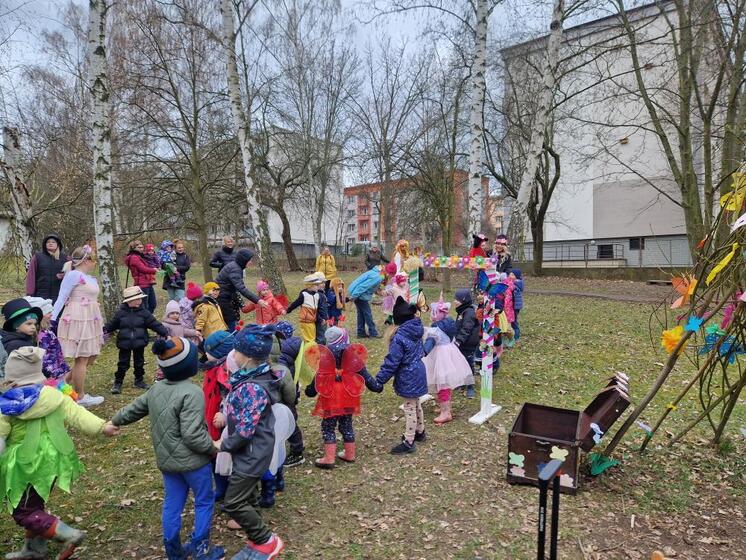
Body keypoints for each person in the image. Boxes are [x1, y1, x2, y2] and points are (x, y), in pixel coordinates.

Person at [0, 347, 119, 560]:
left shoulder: (7, 406)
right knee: (34, 503)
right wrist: (102, 426)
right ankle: (34, 549)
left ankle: (68, 534)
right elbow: (78, 415)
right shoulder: (55, 395)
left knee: (23, 511)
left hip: (23, 464)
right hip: (54, 458)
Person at [111, 337, 224, 560]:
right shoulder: (192, 392)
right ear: (189, 365)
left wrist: (115, 420)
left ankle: (173, 551)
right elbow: (193, 435)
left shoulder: (156, 389)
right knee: (203, 501)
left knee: (172, 503)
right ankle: (201, 550)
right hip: (195, 463)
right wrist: (213, 448)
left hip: (167, 462)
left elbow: (134, 409)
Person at [219, 325, 288, 559]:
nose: (233, 355)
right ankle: (257, 540)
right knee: (247, 496)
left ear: (248, 357)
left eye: (236, 351)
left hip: (252, 453)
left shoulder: (252, 387)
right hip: (249, 452)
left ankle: (267, 540)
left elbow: (245, 431)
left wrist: (222, 445)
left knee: (233, 502)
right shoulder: (249, 378)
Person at [362, 297, 428, 454]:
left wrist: (379, 380)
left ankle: (409, 441)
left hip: (408, 374)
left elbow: (392, 361)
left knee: (409, 407)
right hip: (419, 369)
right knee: (416, 402)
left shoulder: (399, 337)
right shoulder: (416, 329)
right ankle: (420, 431)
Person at [305, 327, 368, 469]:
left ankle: (329, 458)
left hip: (331, 396)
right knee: (347, 423)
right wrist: (375, 385)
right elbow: (364, 373)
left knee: (328, 426)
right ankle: (350, 454)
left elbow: (317, 379)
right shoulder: (351, 354)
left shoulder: (325, 358)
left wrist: (310, 391)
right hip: (348, 393)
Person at [51, 245, 105, 408]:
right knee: (82, 357)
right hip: (78, 317)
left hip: (91, 317)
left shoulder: (89, 278)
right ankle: (80, 396)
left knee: (92, 355)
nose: (95, 263)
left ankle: (62, 383)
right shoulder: (73, 275)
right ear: (86, 260)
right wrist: (51, 319)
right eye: (93, 259)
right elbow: (62, 297)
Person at [104, 286, 169, 394]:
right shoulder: (120, 313)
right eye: (138, 299)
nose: (140, 301)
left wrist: (165, 332)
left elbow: (154, 323)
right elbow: (112, 325)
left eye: (140, 299)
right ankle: (118, 382)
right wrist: (103, 330)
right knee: (123, 363)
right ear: (129, 301)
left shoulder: (144, 313)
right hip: (124, 343)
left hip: (139, 343)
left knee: (139, 362)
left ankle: (139, 380)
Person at [423, 306, 474, 425]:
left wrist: (423, 352)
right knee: (444, 383)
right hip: (449, 353)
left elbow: (430, 343)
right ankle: (445, 407)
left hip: (440, 358)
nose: (431, 315)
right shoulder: (449, 323)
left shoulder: (436, 329)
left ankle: (445, 412)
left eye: (433, 312)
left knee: (442, 384)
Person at [200, 331, 234, 504]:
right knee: (214, 455)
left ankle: (229, 489)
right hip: (210, 416)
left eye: (208, 351)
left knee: (224, 454)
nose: (205, 354)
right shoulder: (212, 367)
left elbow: (230, 394)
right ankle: (221, 487)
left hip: (222, 422)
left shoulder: (226, 371)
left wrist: (223, 413)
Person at [215, 248, 263, 332]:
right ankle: (232, 337)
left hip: (226, 296)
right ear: (243, 260)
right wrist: (258, 300)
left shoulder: (236, 267)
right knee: (231, 320)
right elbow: (241, 288)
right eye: (249, 260)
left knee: (231, 320)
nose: (251, 262)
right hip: (221, 297)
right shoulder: (235, 269)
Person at [25, 296, 70, 380]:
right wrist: (50, 373)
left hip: (58, 367)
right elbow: (43, 357)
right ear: (40, 316)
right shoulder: (42, 336)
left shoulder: (47, 329)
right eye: (48, 312)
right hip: (52, 373)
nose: (51, 314)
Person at [348, 264, 390, 339]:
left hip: (358, 294)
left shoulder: (375, 273)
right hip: (360, 295)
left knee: (361, 314)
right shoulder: (377, 277)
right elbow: (364, 286)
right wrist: (354, 295)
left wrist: (378, 291)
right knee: (368, 314)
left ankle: (361, 332)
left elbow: (371, 286)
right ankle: (373, 333)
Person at [454, 289, 480, 399]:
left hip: (468, 343)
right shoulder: (462, 310)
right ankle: (462, 382)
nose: (455, 301)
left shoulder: (469, 312)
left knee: (468, 363)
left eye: (457, 300)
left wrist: (459, 340)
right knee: (460, 362)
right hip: (463, 343)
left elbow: (467, 328)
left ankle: (470, 386)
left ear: (463, 300)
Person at [25, 234, 67, 302]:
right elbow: (31, 276)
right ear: (45, 244)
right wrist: (30, 294)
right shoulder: (37, 257)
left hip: (59, 296)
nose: (50, 243)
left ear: (58, 244)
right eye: (48, 242)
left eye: (53, 242)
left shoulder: (65, 258)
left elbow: (70, 276)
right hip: (40, 296)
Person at [285, 273, 323, 343]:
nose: (318, 287)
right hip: (306, 321)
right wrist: (288, 310)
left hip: (312, 321)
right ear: (310, 286)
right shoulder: (304, 295)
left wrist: (320, 319)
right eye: (316, 285)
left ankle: (309, 348)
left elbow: (316, 310)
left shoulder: (317, 295)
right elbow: (295, 303)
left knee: (312, 338)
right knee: (309, 339)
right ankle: (309, 349)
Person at [125, 240, 159, 313]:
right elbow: (142, 269)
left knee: (152, 304)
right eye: (139, 247)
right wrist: (153, 270)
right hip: (141, 284)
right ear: (133, 248)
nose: (141, 249)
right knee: (144, 306)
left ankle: (148, 317)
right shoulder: (134, 257)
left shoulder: (140, 256)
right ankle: (145, 318)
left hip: (148, 282)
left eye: (142, 247)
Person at [510, 269, 524, 341]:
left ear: (517, 277)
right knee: (513, 321)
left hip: (515, 306)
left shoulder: (516, 284)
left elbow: (512, 294)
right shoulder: (516, 283)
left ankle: (516, 337)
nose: (510, 276)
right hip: (515, 306)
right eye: (510, 274)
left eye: (512, 275)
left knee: (514, 321)